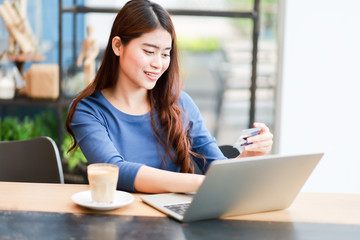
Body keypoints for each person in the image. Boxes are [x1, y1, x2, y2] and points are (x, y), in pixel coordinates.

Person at [65, 0, 273, 193]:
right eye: (149, 51)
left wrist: (246, 158)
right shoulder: (87, 110)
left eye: (165, 54)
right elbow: (115, 171)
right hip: (118, 222)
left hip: (173, 223)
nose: (158, 63)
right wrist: (202, 183)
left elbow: (215, 167)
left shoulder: (180, 103)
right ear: (118, 46)